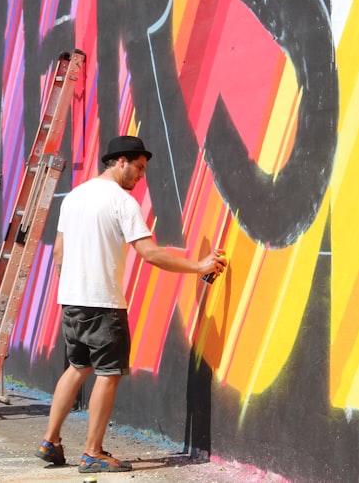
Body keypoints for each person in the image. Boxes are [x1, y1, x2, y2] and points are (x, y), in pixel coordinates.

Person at [36, 135, 226, 474]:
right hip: (103, 304)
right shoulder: (121, 202)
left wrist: (71, 290)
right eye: (138, 168)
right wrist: (200, 266)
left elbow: (59, 253)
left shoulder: (75, 196)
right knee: (108, 375)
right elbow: (149, 253)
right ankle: (93, 452)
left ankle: (50, 441)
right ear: (120, 161)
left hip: (72, 301)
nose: (141, 177)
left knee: (77, 368)